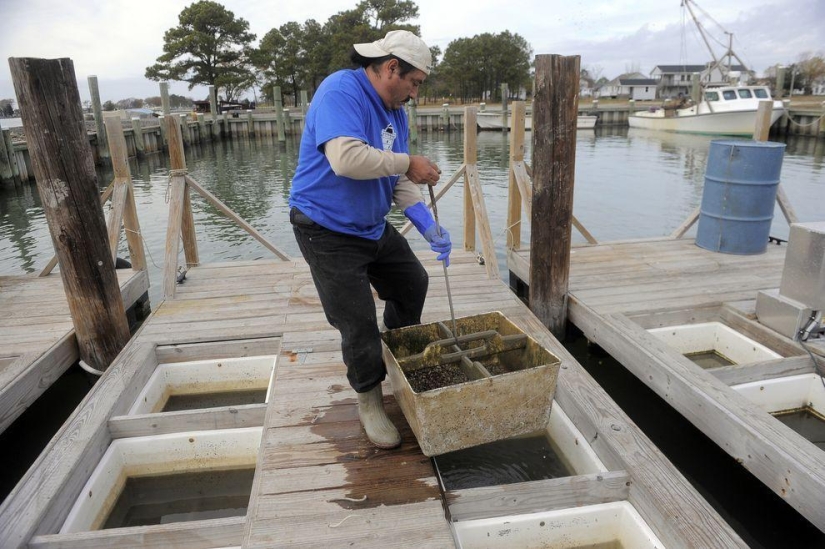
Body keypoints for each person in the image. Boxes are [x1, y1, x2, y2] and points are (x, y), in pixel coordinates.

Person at [288, 30, 451, 450]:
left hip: (370, 226)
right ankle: (369, 399)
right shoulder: (341, 90)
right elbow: (346, 159)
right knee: (355, 321)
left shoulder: (397, 111)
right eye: (414, 82)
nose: (414, 93)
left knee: (412, 283)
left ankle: (389, 350)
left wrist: (424, 220)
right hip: (324, 227)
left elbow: (397, 178)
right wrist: (409, 162)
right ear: (391, 68)